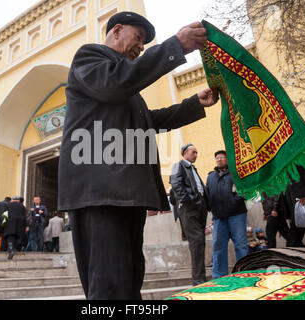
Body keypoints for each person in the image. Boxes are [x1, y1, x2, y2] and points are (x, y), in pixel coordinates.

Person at [57, 11, 218, 300]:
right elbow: (117, 83)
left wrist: (194, 103)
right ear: (116, 30)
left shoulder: (124, 86)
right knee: (110, 284)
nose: (141, 46)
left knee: (129, 279)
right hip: (100, 192)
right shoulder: (90, 59)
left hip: (123, 192)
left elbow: (149, 120)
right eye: (139, 37)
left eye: (144, 42)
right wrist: (175, 46)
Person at [170, 143, 209, 285]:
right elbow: (176, 185)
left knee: (200, 242)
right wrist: (188, 202)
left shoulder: (193, 168)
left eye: (197, 152)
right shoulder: (178, 166)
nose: (196, 155)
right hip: (189, 208)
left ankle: (200, 278)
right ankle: (198, 280)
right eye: (194, 152)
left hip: (200, 207)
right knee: (197, 241)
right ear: (185, 153)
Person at [205, 150, 248, 279]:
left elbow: (244, 191)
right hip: (219, 217)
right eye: (217, 158)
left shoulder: (236, 174)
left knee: (240, 244)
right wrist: (212, 213)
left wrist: (234, 202)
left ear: (227, 159)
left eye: (222, 157)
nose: (219, 159)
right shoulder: (211, 176)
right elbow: (208, 195)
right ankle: (219, 276)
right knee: (218, 246)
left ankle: (244, 273)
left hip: (237, 215)